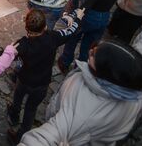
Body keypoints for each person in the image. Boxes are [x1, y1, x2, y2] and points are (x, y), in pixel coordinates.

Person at [20, 39, 142, 145]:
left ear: (107, 73)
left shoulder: (83, 113)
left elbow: (44, 138)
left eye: (94, 55)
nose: (90, 52)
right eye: (93, 49)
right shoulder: (133, 89)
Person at [6, 8, 85, 143]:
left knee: (18, 96)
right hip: (41, 84)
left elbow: (6, 56)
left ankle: (14, 115)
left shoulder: (23, 44)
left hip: (24, 79)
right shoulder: (53, 37)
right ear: (45, 26)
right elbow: (71, 31)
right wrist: (77, 18)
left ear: (26, 27)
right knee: (31, 110)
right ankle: (20, 137)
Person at [59, 0, 136, 71]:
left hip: (89, 16)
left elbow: (86, 6)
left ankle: (65, 61)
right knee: (89, 44)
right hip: (104, 17)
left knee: (73, 38)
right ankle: (81, 67)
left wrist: (73, 18)